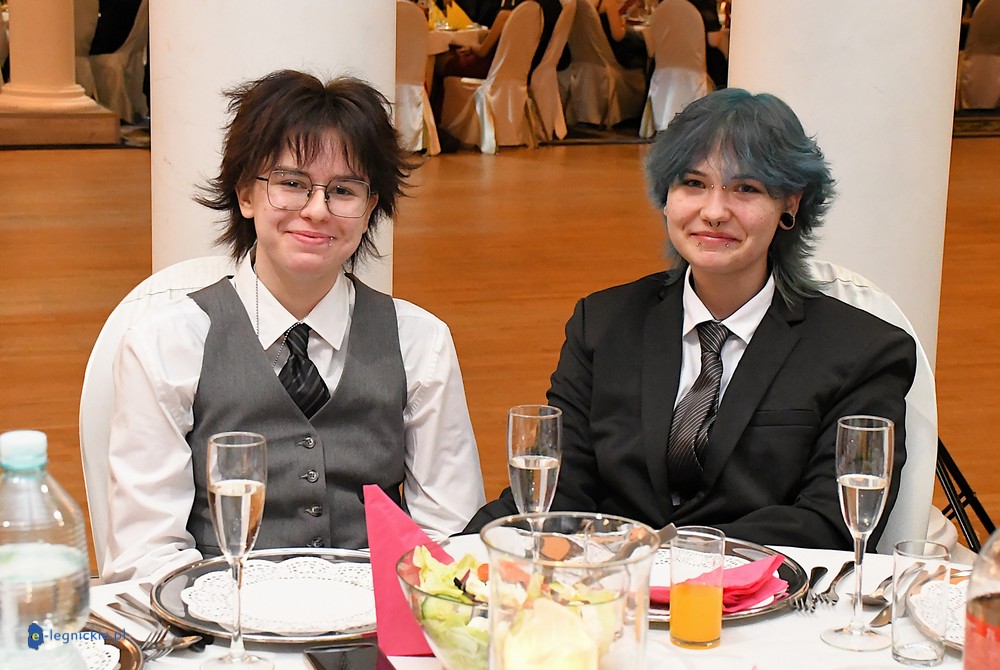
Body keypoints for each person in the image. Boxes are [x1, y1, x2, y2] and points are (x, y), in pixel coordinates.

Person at [465, 89, 917, 551]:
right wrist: (449, 554)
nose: (714, 212)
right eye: (694, 184)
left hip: (765, 588)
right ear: (666, 196)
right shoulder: (602, 324)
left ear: (791, 204)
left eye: (746, 188)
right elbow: (559, 487)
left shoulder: (863, 351)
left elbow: (830, 523)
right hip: (613, 586)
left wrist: (668, 555)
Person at [103, 71, 485, 582]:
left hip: (375, 617)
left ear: (370, 208)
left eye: (344, 190)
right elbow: (147, 556)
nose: (317, 210)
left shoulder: (420, 342)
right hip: (222, 621)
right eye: (291, 184)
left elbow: (450, 539)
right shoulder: (166, 343)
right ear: (245, 194)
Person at [596, 0, 649, 70]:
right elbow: (618, 36)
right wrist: (622, 23)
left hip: (605, 50)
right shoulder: (609, 2)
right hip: (621, 54)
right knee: (649, 47)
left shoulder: (593, 4)